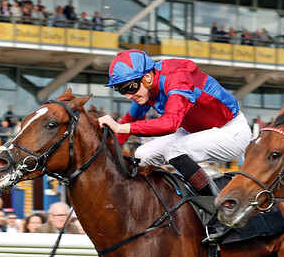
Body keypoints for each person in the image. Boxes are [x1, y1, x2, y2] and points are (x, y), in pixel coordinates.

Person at [97, 49, 251, 194]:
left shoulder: (177, 77)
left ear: (147, 78)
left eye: (130, 88)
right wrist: (102, 152)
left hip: (232, 132)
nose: (128, 96)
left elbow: (170, 124)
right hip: (197, 131)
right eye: (122, 90)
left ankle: (214, 204)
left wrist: (121, 128)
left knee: (174, 150)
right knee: (142, 154)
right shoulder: (144, 88)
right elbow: (130, 120)